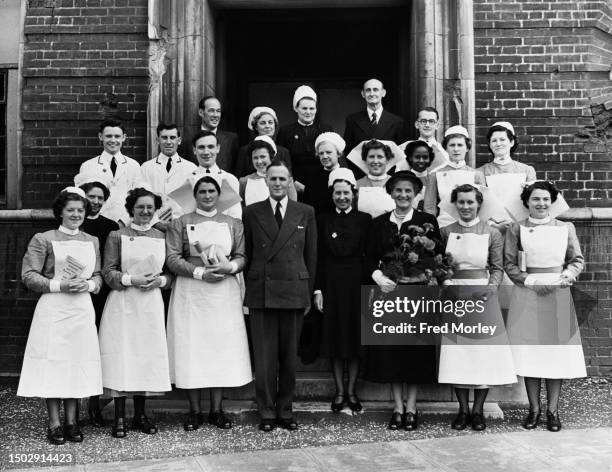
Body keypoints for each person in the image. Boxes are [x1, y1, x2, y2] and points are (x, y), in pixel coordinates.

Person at [166, 174, 252, 431]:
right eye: (202, 192)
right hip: (192, 291)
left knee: (219, 348)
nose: (206, 196)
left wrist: (229, 267)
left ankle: (216, 409)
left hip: (223, 293)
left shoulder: (233, 223)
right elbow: (172, 257)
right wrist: (200, 273)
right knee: (192, 348)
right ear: (195, 196)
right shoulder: (181, 222)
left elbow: (242, 255)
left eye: (211, 191)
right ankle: (195, 411)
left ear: (218, 194)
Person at [18, 187, 103, 445]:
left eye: (80, 210)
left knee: (75, 363)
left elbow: (97, 276)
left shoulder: (92, 241)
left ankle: (71, 421)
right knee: (53, 363)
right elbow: (29, 276)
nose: (76, 214)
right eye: (71, 210)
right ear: (61, 212)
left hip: (81, 309)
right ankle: (55, 423)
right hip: (54, 308)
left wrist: (88, 285)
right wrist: (60, 286)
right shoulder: (43, 239)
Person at [504, 181, 585, 432]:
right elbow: (509, 263)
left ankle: (553, 410)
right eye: (535, 199)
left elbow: (576, 259)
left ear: (552, 202)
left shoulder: (565, 228)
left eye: (545, 199)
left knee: (554, 354)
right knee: (530, 353)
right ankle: (534, 409)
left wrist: (566, 276)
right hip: (527, 292)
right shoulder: (516, 228)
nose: (540, 204)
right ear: (527, 202)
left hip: (557, 292)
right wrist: (529, 280)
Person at [243, 160, 317, 432]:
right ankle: (265, 411)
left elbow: (311, 255)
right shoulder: (252, 212)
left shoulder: (305, 211)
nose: (277, 183)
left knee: (288, 356)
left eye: (282, 179)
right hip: (262, 290)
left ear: (290, 182)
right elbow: (248, 253)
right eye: (272, 179)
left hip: (294, 292)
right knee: (264, 358)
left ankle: (285, 409)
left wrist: (308, 294)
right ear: (265, 181)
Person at [363, 171, 441, 431]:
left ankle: (412, 406)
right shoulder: (378, 224)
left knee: (415, 351)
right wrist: (379, 277)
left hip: (417, 294)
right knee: (393, 350)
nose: (403, 195)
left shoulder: (427, 221)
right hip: (390, 294)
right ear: (390, 193)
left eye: (408, 190)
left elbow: (436, 257)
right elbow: (369, 256)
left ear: (416, 193)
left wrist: (423, 275)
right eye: (398, 190)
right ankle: (397, 407)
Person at [438, 184, 517, 431]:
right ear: (455, 204)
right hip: (454, 296)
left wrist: (490, 290)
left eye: (470, 202)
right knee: (458, 353)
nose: (465, 207)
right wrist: (448, 285)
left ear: (478, 204)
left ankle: (478, 410)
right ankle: (462, 410)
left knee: (483, 353)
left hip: (482, 297)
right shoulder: (445, 232)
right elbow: (440, 266)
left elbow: (497, 267)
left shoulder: (491, 232)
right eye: (461, 202)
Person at [98, 187, 172, 438]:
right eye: (140, 207)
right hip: (123, 303)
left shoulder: (163, 236)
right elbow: (108, 272)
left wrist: (159, 282)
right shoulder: (117, 236)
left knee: (145, 357)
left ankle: (140, 415)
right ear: (131, 209)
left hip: (150, 304)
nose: (145, 211)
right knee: (123, 356)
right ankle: (119, 416)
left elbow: (170, 273)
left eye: (150, 207)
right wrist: (131, 279)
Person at [313, 168, 371, 413]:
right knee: (335, 340)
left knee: (355, 340)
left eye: (346, 192)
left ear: (353, 194)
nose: (342, 197)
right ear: (332, 195)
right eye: (338, 193)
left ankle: (352, 391)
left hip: (357, 282)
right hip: (331, 283)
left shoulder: (365, 220)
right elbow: (317, 256)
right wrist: (318, 290)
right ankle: (339, 392)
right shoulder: (322, 219)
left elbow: (369, 257)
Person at [75, 172, 119, 427]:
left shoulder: (110, 226)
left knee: (98, 346)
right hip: (77, 291)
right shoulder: (76, 224)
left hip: (101, 293)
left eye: (100, 198)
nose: (95, 201)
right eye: (91, 196)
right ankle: (76, 404)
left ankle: (95, 404)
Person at [78, 118, 142, 225]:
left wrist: (123, 222)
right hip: (95, 224)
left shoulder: (134, 165)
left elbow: (138, 197)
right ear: (100, 137)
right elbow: (82, 199)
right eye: (108, 136)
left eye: (117, 136)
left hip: (125, 225)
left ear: (124, 138)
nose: (113, 140)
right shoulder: (88, 165)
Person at [478, 121, 537, 232]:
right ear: (490, 145)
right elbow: (479, 205)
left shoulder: (527, 171)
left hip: (521, 229)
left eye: (502, 139)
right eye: (494, 140)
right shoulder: (481, 172)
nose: (498, 144)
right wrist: (493, 225)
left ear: (512, 142)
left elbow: (533, 202)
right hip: (491, 229)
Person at [276, 85, 333, 196]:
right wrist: (292, 181)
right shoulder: (286, 131)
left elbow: (335, 156)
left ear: (316, 109)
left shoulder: (326, 129)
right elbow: (281, 161)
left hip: (323, 182)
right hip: (296, 184)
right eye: (304, 108)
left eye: (312, 108)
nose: (308, 112)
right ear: (296, 108)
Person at [423, 126, 485, 227]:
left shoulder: (477, 175)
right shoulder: (435, 175)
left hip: (470, 227)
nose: (456, 149)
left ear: (467, 148)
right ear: (446, 148)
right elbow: (429, 208)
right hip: (444, 226)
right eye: (452, 145)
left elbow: (483, 207)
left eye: (460, 145)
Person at [140, 122, 197, 230]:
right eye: (164, 138)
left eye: (172, 137)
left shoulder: (191, 168)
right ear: (157, 140)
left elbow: (195, 202)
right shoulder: (146, 168)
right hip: (152, 227)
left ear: (179, 140)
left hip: (183, 227)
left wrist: (183, 224)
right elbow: (141, 200)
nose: (168, 142)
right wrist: (155, 223)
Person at [343, 78, 406, 166]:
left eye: (375, 90)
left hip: (387, 174)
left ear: (383, 93)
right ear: (363, 94)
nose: (372, 94)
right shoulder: (352, 120)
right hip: (360, 173)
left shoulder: (396, 121)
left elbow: (400, 154)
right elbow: (348, 151)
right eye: (368, 90)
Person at [191, 130, 242, 220]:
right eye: (201, 147)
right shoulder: (187, 179)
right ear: (194, 150)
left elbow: (235, 217)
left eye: (211, 147)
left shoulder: (229, 179)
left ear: (218, 148)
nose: (206, 152)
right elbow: (180, 217)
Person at [238, 137, 297, 206]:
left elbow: (293, 206)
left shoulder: (284, 178)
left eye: (262, 157)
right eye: (255, 158)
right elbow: (240, 208)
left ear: (271, 157)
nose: (259, 161)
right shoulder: (244, 181)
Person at [235, 107, 293, 177]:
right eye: (262, 123)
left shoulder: (283, 152)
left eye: (270, 122)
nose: (267, 126)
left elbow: (288, 178)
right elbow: (239, 177)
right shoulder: (244, 150)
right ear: (256, 127)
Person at [302, 132, 349, 214]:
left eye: (329, 152)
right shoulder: (312, 178)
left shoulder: (347, 175)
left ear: (338, 153)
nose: (324, 156)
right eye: (321, 153)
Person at [195, 96, 239, 173]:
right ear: (201, 112)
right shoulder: (188, 140)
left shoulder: (232, 139)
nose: (216, 115)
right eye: (211, 111)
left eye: (218, 111)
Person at [354, 140, 396, 218]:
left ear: (387, 160)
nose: (375, 161)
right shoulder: (357, 185)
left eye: (380, 157)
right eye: (371, 157)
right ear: (365, 160)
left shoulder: (396, 184)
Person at [392, 140, 435, 210]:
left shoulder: (434, 178)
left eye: (425, 157)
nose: (421, 161)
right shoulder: (402, 179)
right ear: (410, 158)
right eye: (417, 157)